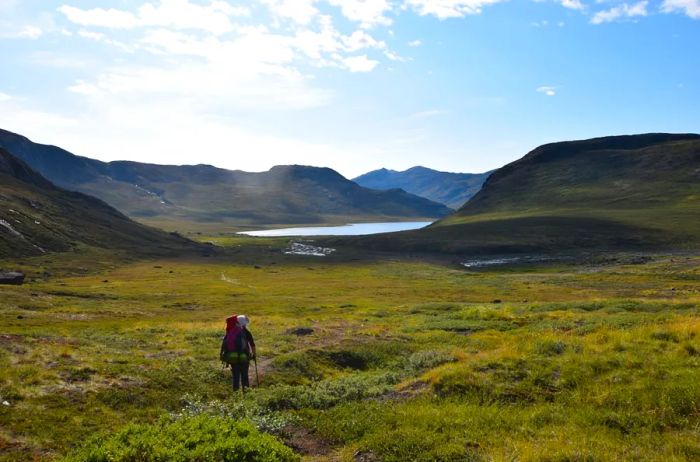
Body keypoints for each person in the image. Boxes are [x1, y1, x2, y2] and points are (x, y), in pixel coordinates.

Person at [220, 314, 256, 392]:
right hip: (244, 357)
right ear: (243, 323)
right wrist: (254, 355)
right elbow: (252, 344)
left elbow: (224, 344)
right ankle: (246, 394)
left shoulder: (230, 331)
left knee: (236, 377)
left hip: (232, 357)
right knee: (244, 376)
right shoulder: (246, 332)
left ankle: (235, 395)